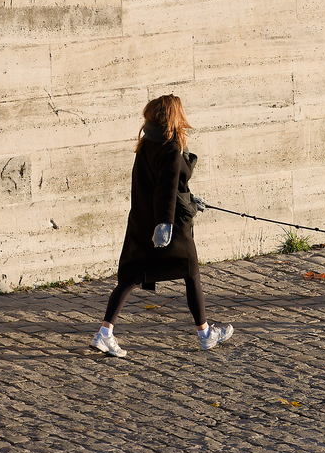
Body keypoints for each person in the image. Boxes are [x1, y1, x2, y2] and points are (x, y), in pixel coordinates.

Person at [92, 95, 234, 357]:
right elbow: (166, 190)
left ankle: (105, 332)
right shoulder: (170, 148)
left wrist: (189, 199)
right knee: (191, 273)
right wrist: (165, 225)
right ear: (174, 117)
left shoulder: (147, 143)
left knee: (131, 277)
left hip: (142, 220)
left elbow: (169, 183)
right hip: (169, 225)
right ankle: (205, 334)